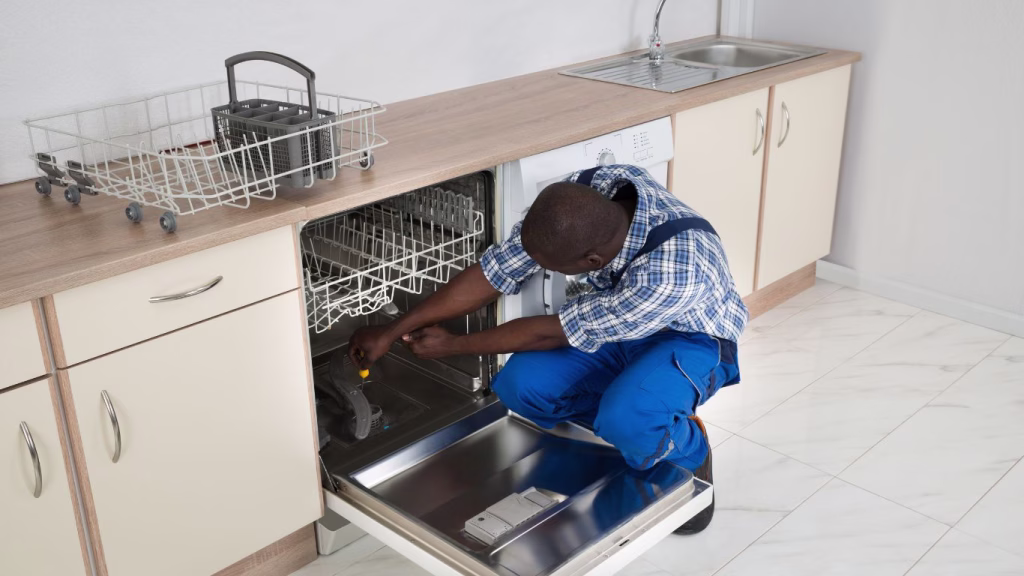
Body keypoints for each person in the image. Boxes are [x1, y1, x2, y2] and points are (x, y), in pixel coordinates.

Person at [349, 164, 747, 534]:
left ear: (593, 259)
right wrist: (392, 330)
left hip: (691, 338)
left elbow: (548, 333)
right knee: (520, 386)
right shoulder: (587, 193)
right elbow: (493, 274)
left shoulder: (673, 272)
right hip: (619, 324)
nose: (546, 272)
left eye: (555, 268)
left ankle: (689, 451)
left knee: (629, 417)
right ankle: (632, 425)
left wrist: (454, 345)